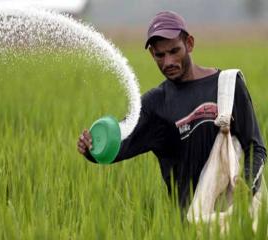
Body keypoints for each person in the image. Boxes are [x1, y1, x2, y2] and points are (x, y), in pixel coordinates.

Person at [76, 11, 266, 208]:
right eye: (160, 55)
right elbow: (120, 145)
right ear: (152, 53)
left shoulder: (227, 85)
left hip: (232, 216)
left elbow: (255, 147)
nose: (168, 62)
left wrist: (245, 191)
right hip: (188, 225)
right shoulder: (155, 104)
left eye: (175, 51)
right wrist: (92, 148)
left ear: (189, 44)